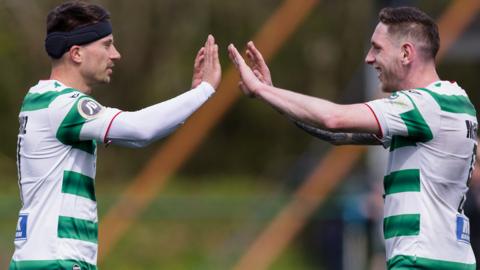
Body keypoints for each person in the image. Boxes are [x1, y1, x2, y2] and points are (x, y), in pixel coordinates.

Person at [228, 6, 477, 269]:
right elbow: (336, 135)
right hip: (451, 258)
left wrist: (261, 90)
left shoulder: (424, 105)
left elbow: (334, 119)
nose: (369, 58)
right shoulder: (455, 101)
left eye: (377, 48)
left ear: (406, 53)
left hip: (421, 260)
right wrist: (272, 95)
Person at [11, 1, 221, 269]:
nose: (116, 55)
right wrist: (203, 91)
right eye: (107, 45)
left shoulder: (42, 100)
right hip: (57, 260)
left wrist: (189, 102)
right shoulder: (62, 105)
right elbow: (140, 130)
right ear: (76, 53)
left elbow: (139, 133)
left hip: (43, 257)